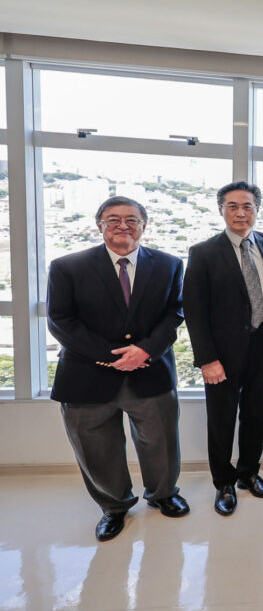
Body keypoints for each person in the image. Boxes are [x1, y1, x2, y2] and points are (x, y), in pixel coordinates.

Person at [47, 196, 190, 542]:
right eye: (113, 219)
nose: (122, 225)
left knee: (161, 442)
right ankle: (114, 507)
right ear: (99, 225)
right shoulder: (67, 267)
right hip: (87, 376)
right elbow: (60, 320)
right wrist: (112, 356)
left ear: (144, 225)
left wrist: (145, 350)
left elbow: (175, 313)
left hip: (150, 371)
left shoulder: (169, 265)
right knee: (97, 449)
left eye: (131, 219)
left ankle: (163, 494)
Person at [182, 181, 263, 516]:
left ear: (257, 210)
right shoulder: (203, 252)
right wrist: (207, 359)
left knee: (257, 414)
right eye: (233, 206)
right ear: (221, 210)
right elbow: (194, 310)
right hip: (222, 353)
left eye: (247, 206)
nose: (241, 213)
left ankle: (248, 473)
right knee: (222, 419)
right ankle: (223, 483)